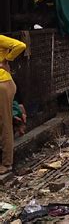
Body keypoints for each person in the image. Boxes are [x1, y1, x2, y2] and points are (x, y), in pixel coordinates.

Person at [0, 35, 26, 174]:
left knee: (5, 123)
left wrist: (6, 60)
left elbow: (20, 45)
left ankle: (7, 163)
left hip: (2, 85)